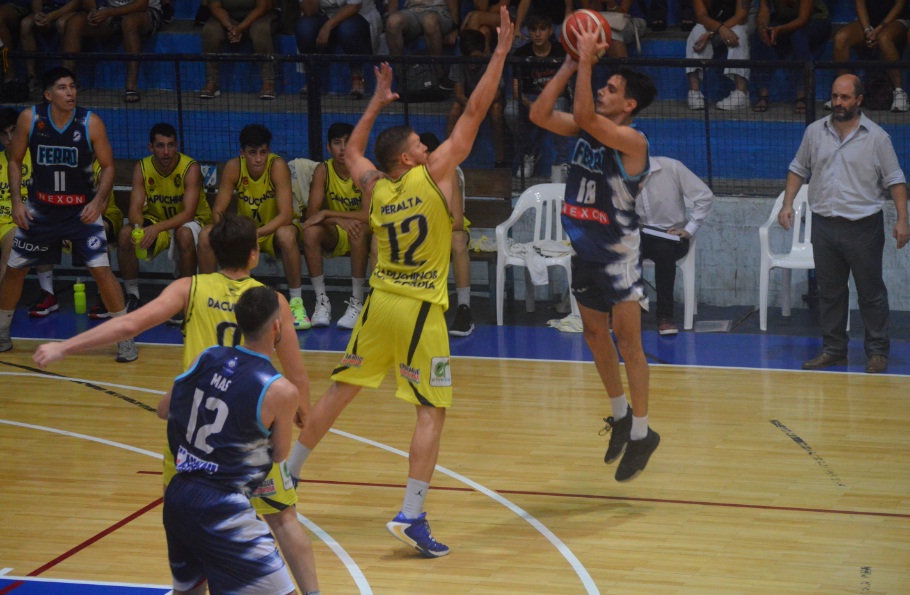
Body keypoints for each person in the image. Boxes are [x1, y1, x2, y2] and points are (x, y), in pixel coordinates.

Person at [285, 7, 514, 558]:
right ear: (409, 157)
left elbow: (357, 152)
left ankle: (286, 475)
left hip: (379, 304)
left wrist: (376, 99)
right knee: (430, 410)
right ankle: (411, 513)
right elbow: (478, 109)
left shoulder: (377, 189)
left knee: (342, 391)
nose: (427, 145)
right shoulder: (434, 176)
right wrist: (501, 52)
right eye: (418, 142)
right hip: (417, 311)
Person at [33, 214, 320, 593]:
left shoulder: (191, 288)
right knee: (283, 519)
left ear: (213, 251)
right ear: (255, 255)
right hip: (249, 432)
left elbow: (129, 325)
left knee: (188, 528)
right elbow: (296, 374)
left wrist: (64, 347)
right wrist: (301, 412)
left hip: (193, 430)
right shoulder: (270, 302)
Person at [529, 26, 660, 481]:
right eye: (602, 85)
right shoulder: (586, 130)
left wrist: (586, 60)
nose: (603, 91)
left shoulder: (634, 141)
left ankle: (643, 434)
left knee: (630, 345)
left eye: (612, 88)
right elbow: (540, 112)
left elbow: (583, 113)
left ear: (629, 106)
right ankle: (621, 415)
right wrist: (568, 63)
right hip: (583, 250)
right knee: (592, 335)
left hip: (619, 257)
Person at [158, 286, 299, 595]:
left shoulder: (207, 356)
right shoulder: (282, 390)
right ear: (277, 327)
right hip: (223, 505)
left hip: (178, 494)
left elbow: (163, 410)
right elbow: (279, 454)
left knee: (189, 592)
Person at [0, 67, 135, 362]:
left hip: (80, 212)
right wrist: (17, 202)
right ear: (48, 95)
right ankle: (2, 331)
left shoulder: (91, 122)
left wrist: (99, 201)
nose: (70, 92)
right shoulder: (30, 118)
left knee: (101, 271)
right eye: (62, 88)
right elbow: (15, 160)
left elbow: (109, 167)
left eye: (73, 86)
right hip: (41, 209)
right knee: (15, 268)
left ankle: (125, 337)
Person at [779, 74, 909, 374]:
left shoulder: (877, 138)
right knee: (830, 292)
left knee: (871, 292)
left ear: (859, 100)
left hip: (864, 227)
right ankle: (834, 350)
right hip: (823, 225)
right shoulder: (814, 132)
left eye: (845, 97)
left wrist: (903, 220)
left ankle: (877, 352)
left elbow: (896, 181)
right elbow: (798, 168)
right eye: (835, 96)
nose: (838, 103)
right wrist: (787, 204)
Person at [198, 123, 311, 330]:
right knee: (206, 234)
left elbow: (286, 215)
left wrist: (254, 233)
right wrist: (232, 230)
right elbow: (218, 212)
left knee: (287, 235)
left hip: (272, 231)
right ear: (243, 153)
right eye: (252, 153)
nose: (259, 159)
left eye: (263, 152)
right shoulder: (234, 168)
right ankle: (208, 301)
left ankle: (296, 303)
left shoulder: (277, 166)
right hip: (246, 233)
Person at [117, 123, 210, 323]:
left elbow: (188, 214)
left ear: (177, 146)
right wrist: (139, 229)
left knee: (183, 234)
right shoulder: (142, 168)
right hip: (158, 222)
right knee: (126, 234)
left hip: (194, 223)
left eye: (170, 145)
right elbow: (134, 209)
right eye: (160, 146)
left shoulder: (190, 168)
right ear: (151, 147)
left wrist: (155, 229)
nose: (166, 152)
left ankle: (185, 298)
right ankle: (133, 295)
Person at [300, 122, 369, 329]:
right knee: (311, 233)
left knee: (357, 229)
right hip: (337, 232)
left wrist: (330, 212)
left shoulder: (364, 170)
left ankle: (357, 301)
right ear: (328, 147)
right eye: (337, 143)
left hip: (363, 230)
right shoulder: (323, 170)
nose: (342, 148)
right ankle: (321, 301)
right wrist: (339, 220)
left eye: (347, 142)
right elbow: (312, 216)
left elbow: (368, 215)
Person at [636, 156, 714, 335]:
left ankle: (665, 316)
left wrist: (689, 228)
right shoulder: (619, 172)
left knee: (664, 252)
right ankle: (627, 309)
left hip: (672, 234)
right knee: (622, 251)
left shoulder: (671, 167)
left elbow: (705, 196)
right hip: (640, 232)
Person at [418, 131, 473, 336]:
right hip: (423, 228)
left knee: (458, 241)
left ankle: (464, 309)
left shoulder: (451, 172)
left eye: (424, 153)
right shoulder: (411, 172)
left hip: (449, 227)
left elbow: (457, 221)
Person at [60, 0, 163, 103]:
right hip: (110, 10)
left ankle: (132, 85)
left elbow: (142, 5)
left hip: (145, 11)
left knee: (129, 23)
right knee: (74, 23)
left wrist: (109, 13)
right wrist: (93, 10)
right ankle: (67, 81)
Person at [506, 13, 569, 179]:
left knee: (559, 107)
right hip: (529, 99)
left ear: (550, 31)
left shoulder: (561, 51)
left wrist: (545, 103)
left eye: (542, 29)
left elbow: (565, 85)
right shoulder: (521, 53)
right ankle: (530, 152)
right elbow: (515, 88)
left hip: (555, 98)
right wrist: (530, 104)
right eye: (533, 30)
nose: (538, 34)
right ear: (528, 32)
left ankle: (562, 163)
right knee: (510, 111)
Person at [750, 0, 830, 114]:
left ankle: (802, 95)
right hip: (785, 20)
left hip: (815, 20)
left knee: (798, 37)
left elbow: (803, 19)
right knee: (758, 38)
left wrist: (779, 30)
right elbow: (764, 9)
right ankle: (763, 94)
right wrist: (763, 28)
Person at [829, 0, 909, 113]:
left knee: (884, 38)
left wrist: (878, 30)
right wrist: (867, 30)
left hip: (896, 21)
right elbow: (860, 4)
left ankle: (899, 92)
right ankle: (843, 93)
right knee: (841, 38)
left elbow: (899, 5)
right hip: (868, 23)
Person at [295, 0, 383, 98]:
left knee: (347, 30)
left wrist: (327, 27)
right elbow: (310, 11)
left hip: (358, 14)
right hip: (325, 14)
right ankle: (313, 78)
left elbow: (354, 6)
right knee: (304, 28)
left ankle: (357, 78)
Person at [446, 29, 507, 168]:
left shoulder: (492, 61)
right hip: (468, 100)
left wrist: (483, 105)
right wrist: (471, 105)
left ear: (483, 51)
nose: (471, 61)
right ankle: (448, 156)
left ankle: (500, 159)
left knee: (497, 110)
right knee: (454, 109)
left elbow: (498, 92)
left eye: (475, 56)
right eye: (468, 57)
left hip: (489, 99)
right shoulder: (459, 63)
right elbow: (459, 93)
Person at [200, 0, 279, 100]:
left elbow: (262, 7)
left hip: (260, 17)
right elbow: (215, 7)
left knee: (261, 31)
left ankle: (268, 82)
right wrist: (230, 27)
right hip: (229, 19)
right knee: (210, 30)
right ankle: (211, 81)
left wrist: (240, 28)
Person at [685, 0, 752, 111]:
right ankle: (694, 92)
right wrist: (720, 29)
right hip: (712, 24)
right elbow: (701, 16)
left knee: (738, 35)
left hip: (738, 23)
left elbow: (741, 16)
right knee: (697, 32)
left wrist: (714, 33)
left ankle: (741, 94)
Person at [385, 0, 460, 89]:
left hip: (439, 10)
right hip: (411, 11)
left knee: (429, 21)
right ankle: (400, 77)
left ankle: (440, 76)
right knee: (393, 22)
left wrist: (454, 28)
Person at [18, 0, 82, 96]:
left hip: (69, 11)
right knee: (26, 24)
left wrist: (51, 17)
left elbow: (76, 3)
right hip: (48, 10)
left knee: (63, 23)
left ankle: (68, 77)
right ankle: (31, 77)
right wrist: (37, 14)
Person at [0, 108, 31, 287]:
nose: (10, 139)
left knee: (10, 248)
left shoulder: (35, 159)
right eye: (4, 134)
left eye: (13, 131)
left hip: (16, 221)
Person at [580, 0, 648, 58]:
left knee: (609, 34)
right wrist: (597, 2)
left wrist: (610, 2)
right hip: (602, 24)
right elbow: (588, 14)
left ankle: (622, 69)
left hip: (631, 22)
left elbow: (623, 13)